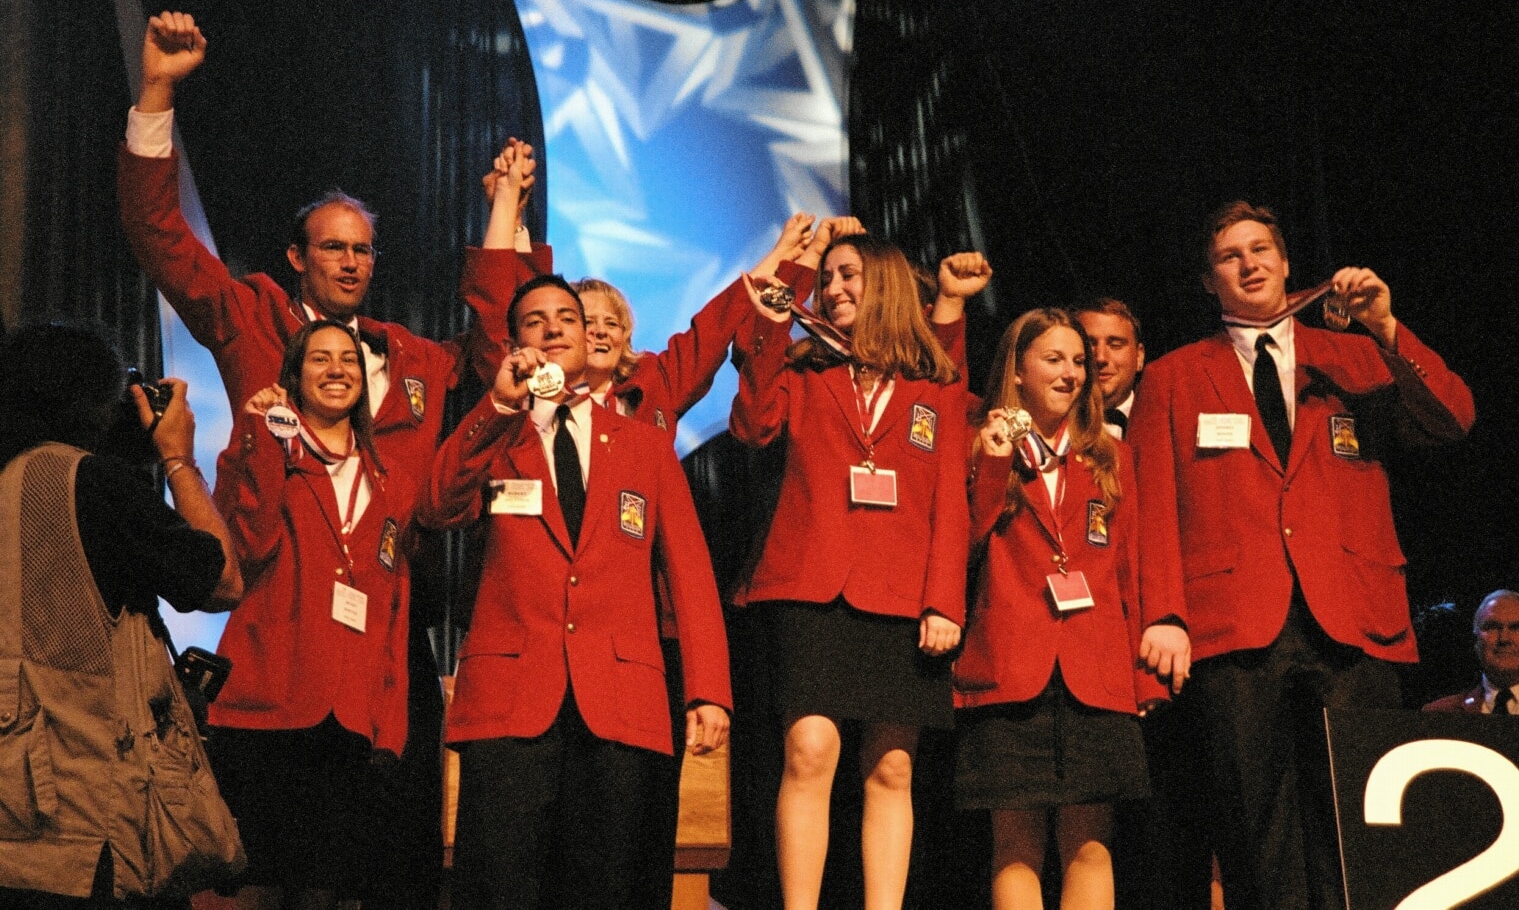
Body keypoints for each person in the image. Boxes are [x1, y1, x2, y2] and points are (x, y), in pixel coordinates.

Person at [117, 11, 538, 905]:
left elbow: (500, 355)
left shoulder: (415, 360)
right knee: (270, 870)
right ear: (297, 259)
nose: (351, 263)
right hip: (282, 616)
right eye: (333, 248)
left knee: (384, 873)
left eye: (363, 249)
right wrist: (158, 92)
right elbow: (160, 238)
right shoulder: (254, 317)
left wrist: (504, 212)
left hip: (390, 639)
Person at [1129, 201, 1476, 910]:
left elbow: (1452, 419)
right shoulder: (1172, 376)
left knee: (1357, 818)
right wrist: (1164, 612)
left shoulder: (1352, 357)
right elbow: (1151, 509)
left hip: (1352, 611)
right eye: (1231, 255)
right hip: (1231, 621)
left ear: (1287, 265)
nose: (1249, 263)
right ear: (1207, 280)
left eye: (1261, 250)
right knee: (1257, 829)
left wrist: (1385, 325)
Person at [419, 275, 733, 909]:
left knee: (608, 889)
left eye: (568, 317)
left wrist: (707, 689)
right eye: (537, 320)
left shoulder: (644, 444)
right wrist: (499, 407)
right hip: (511, 698)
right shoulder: (496, 432)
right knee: (500, 889)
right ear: (514, 342)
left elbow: (690, 572)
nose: (557, 328)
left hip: (620, 697)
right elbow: (436, 504)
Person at [734, 235, 969, 910]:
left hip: (903, 597)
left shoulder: (937, 388)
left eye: (848, 276)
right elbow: (752, 427)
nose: (833, 287)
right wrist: (772, 323)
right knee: (809, 749)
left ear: (888, 287)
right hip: (809, 585)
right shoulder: (804, 372)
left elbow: (950, 501)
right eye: (827, 278)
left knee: (893, 768)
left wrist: (944, 600)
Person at [0, 322, 242, 906]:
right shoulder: (94, 483)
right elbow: (221, 582)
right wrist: (178, 458)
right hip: (91, 826)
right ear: (94, 400)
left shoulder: (12, 478)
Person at [955, 309, 1181, 910]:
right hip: (1008, 665)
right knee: (1015, 841)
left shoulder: (1110, 452)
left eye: (1079, 361)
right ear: (1019, 371)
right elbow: (965, 540)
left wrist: (1138, 674)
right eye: (1054, 360)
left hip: (1096, 670)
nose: (1073, 373)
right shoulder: (982, 440)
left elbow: (1130, 564)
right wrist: (995, 459)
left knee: (1090, 843)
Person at [199, 320, 422, 906]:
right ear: (293, 378)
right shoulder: (263, 449)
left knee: (331, 894)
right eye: (318, 359)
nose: (336, 370)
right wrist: (263, 440)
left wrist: (389, 726)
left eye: (347, 360)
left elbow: (393, 610)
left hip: (348, 719)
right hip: (264, 706)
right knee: (252, 891)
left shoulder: (390, 479)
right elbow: (247, 545)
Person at [1424, 590, 1519, 715]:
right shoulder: (1440, 713)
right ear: (1475, 639)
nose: (1504, 639)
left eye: (1517, 628)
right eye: (1492, 627)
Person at [1071, 299, 1144, 440]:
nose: (1100, 358)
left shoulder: (1160, 419)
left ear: (1139, 356)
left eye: (1115, 345)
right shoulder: (1050, 427)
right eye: (1089, 344)